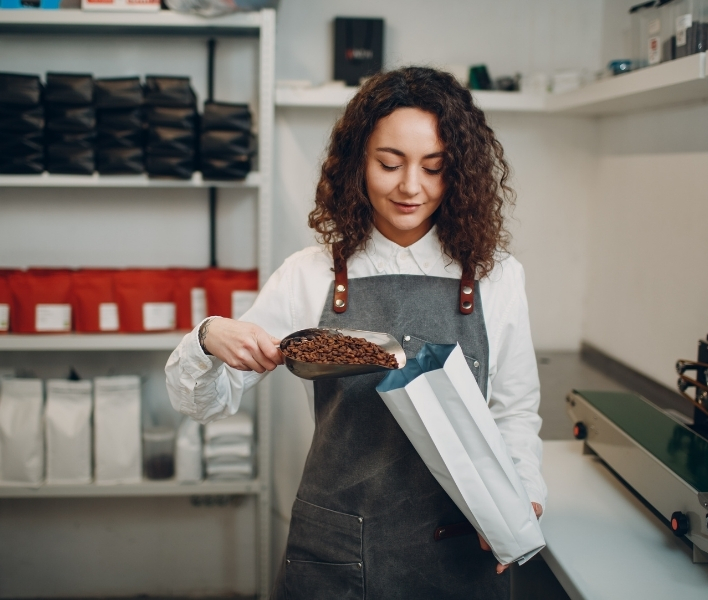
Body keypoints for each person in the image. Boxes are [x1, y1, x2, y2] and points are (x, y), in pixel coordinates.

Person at [166, 66, 546, 600]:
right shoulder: (311, 274)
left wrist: (521, 494)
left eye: (434, 168)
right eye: (390, 164)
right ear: (357, 163)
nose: (411, 186)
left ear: (458, 172)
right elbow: (202, 403)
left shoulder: (494, 275)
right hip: (339, 549)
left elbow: (513, 409)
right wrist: (208, 338)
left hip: (462, 543)